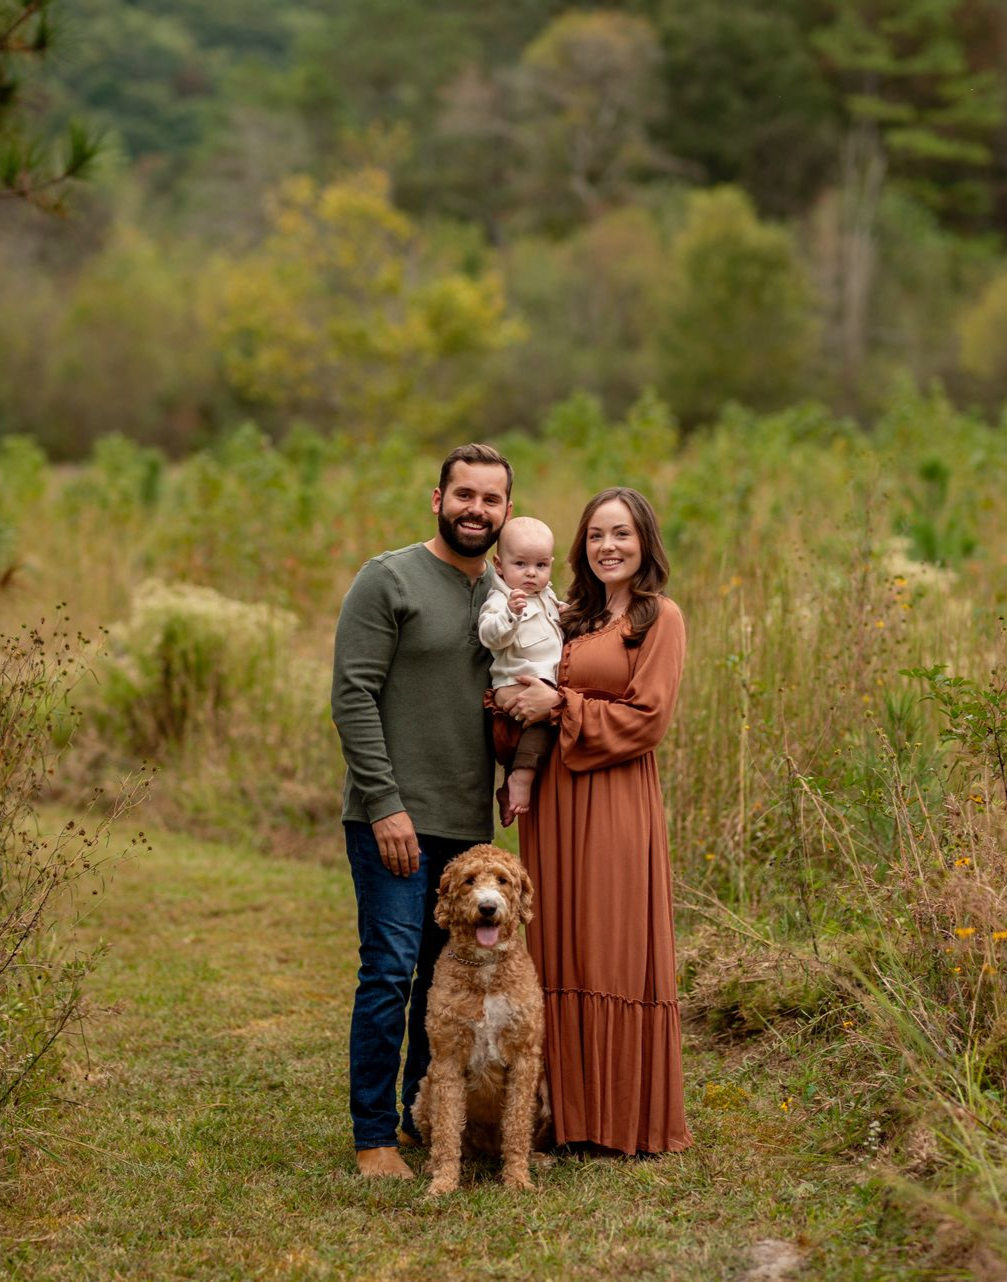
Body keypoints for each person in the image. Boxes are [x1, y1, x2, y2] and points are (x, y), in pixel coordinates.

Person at [331, 443, 513, 1179]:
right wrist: (383, 804)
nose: (477, 509)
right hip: (393, 816)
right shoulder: (389, 578)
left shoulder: (508, 592)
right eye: (463, 494)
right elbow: (352, 695)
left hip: (468, 826)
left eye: (491, 499)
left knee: (443, 981)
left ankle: (415, 1115)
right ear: (436, 499)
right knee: (390, 970)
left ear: (505, 510)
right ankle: (373, 1135)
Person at [508, 487, 693, 1157]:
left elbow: (648, 720)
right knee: (557, 940)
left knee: (610, 942)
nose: (606, 546)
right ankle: (562, 1115)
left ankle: (622, 1119)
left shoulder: (658, 618)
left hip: (614, 792)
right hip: (556, 795)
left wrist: (562, 705)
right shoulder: (569, 616)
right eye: (593, 536)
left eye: (619, 533)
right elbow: (526, 682)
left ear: (644, 541)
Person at [477, 516, 564, 827]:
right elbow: (490, 635)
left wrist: (564, 612)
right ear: (499, 565)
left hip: (537, 683)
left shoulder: (546, 595)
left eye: (541, 565)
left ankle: (507, 790)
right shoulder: (501, 599)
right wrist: (510, 615)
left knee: (546, 734)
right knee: (545, 726)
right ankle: (520, 783)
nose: (531, 573)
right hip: (516, 683)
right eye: (521, 564)